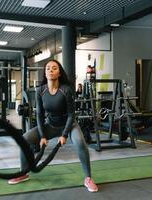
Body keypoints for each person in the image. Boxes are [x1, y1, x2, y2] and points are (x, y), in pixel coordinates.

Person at [8, 60, 98, 192]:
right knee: (24, 139)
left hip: (69, 125)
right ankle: (23, 173)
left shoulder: (66, 90)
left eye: (54, 68)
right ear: (45, 72)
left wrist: (65, 134)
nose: (50, 70)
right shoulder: (40, 90)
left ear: (59, 72)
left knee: (80, 143)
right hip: (50, 126)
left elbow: (71, 114)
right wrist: (43, 136)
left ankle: (88, 178)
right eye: (48, 68)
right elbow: (39, 114)